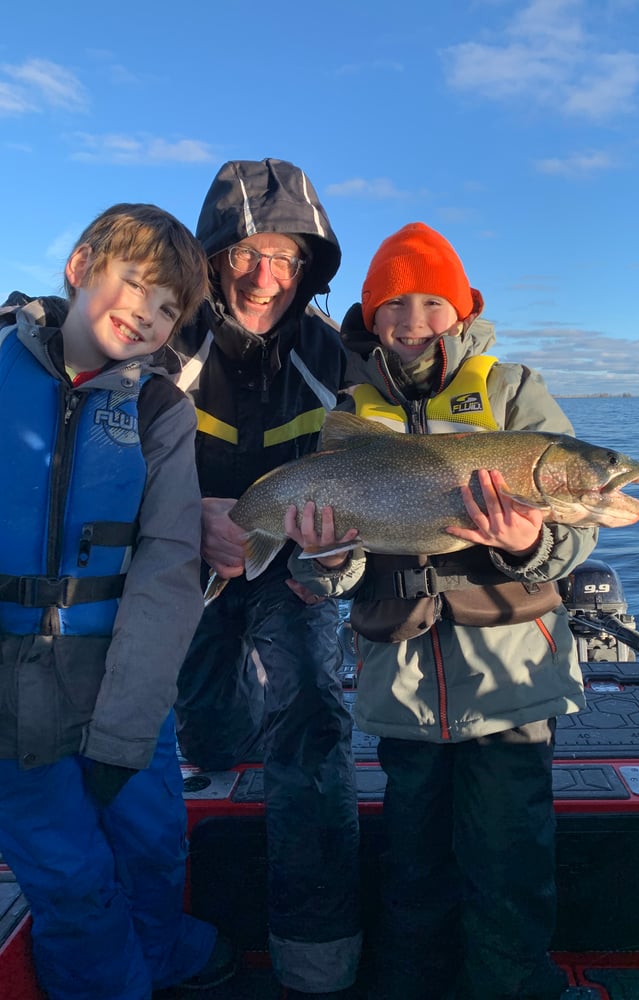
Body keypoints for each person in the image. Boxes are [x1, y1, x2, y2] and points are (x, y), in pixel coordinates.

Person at [286, 222, 599, 1000]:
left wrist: (528, 545)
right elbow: (333, 576)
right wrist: (325, 559)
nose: (412, 318)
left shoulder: (512, 391)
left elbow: (578, 532)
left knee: (510, 864)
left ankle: (513, 989)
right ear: (370, 315)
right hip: (400, 690)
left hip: (512, 684)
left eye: (431, 300)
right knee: (412, 868)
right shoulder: (349, 411)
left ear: (460, 310)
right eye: (392, 302)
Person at [0, 204, 237, 999]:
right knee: (69, 873)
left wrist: (131, 721)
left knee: (154, 843)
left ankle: (162, 953)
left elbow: (170, 560)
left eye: (170, 307)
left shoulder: (160, 409)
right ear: (80, 266)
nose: (149, 313)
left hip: (123, 675)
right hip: (9, 696)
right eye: (135, 284)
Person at [171, 159, 361, 999]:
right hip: (185, 560)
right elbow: (103, 456)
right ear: (213, 257)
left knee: (313, 724)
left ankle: (317, 950)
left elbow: (372, 482)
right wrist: (186, 518)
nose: (265, 276)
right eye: (247, 251)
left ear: (310, 265)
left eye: (287, 256)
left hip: (296, 564)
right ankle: (193, 914)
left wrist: (335, 552)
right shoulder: (167, 340)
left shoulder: (333, 357)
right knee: (205, 732)